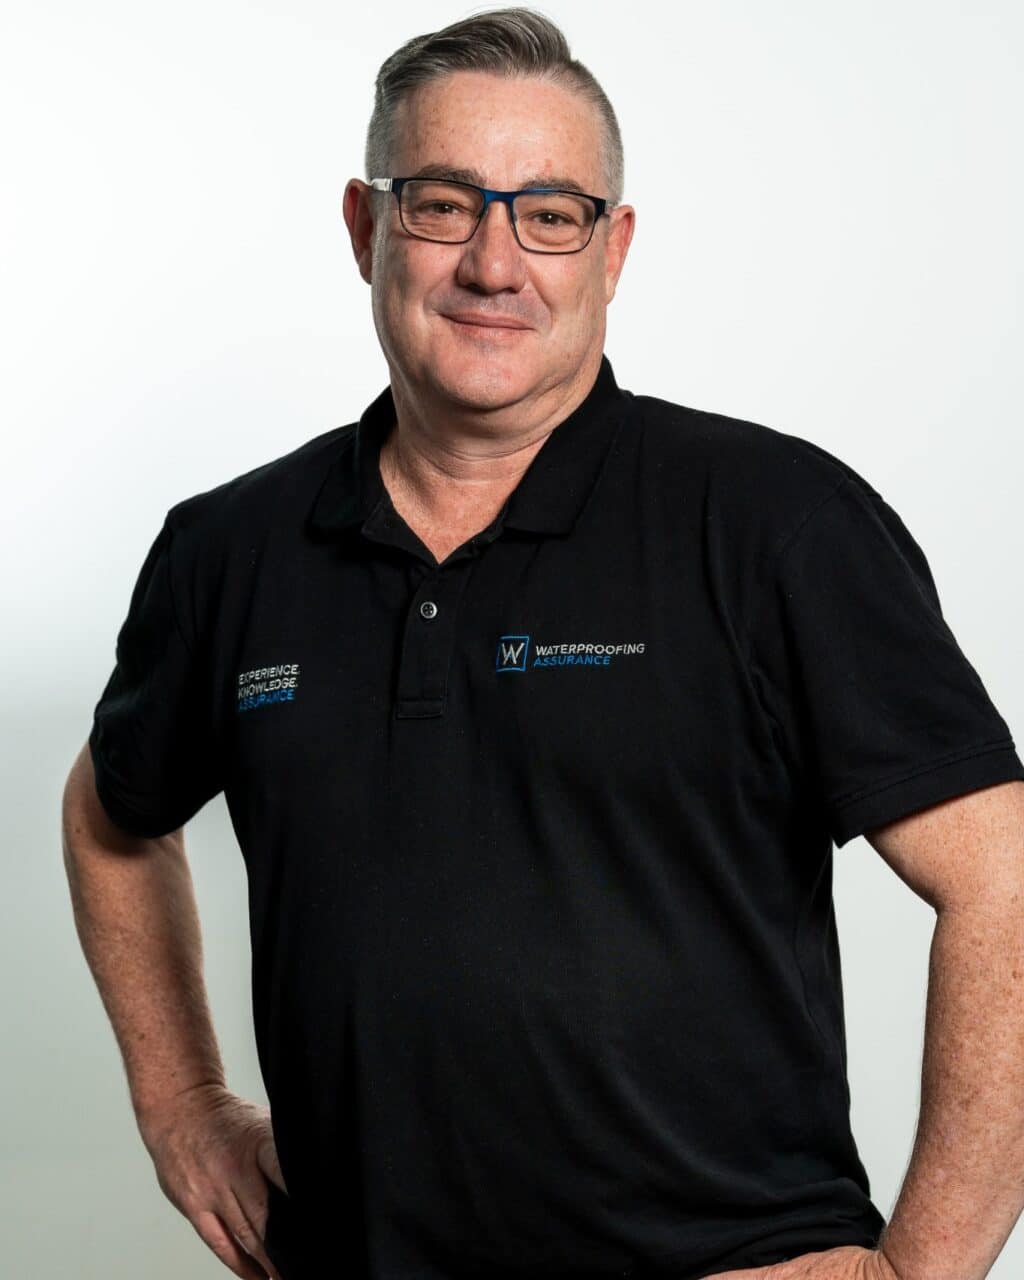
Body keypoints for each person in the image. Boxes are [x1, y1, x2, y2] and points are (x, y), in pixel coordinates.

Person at [61, 8, 1024, 1280]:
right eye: (444, 203)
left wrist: (923, 1271)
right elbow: (112, 811)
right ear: (364, 227)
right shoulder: (231, 549)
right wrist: (183, 1102)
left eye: (550, 213)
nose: (494, 262)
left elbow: (1004, 886)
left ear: (612, 249)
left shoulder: (772, 523)